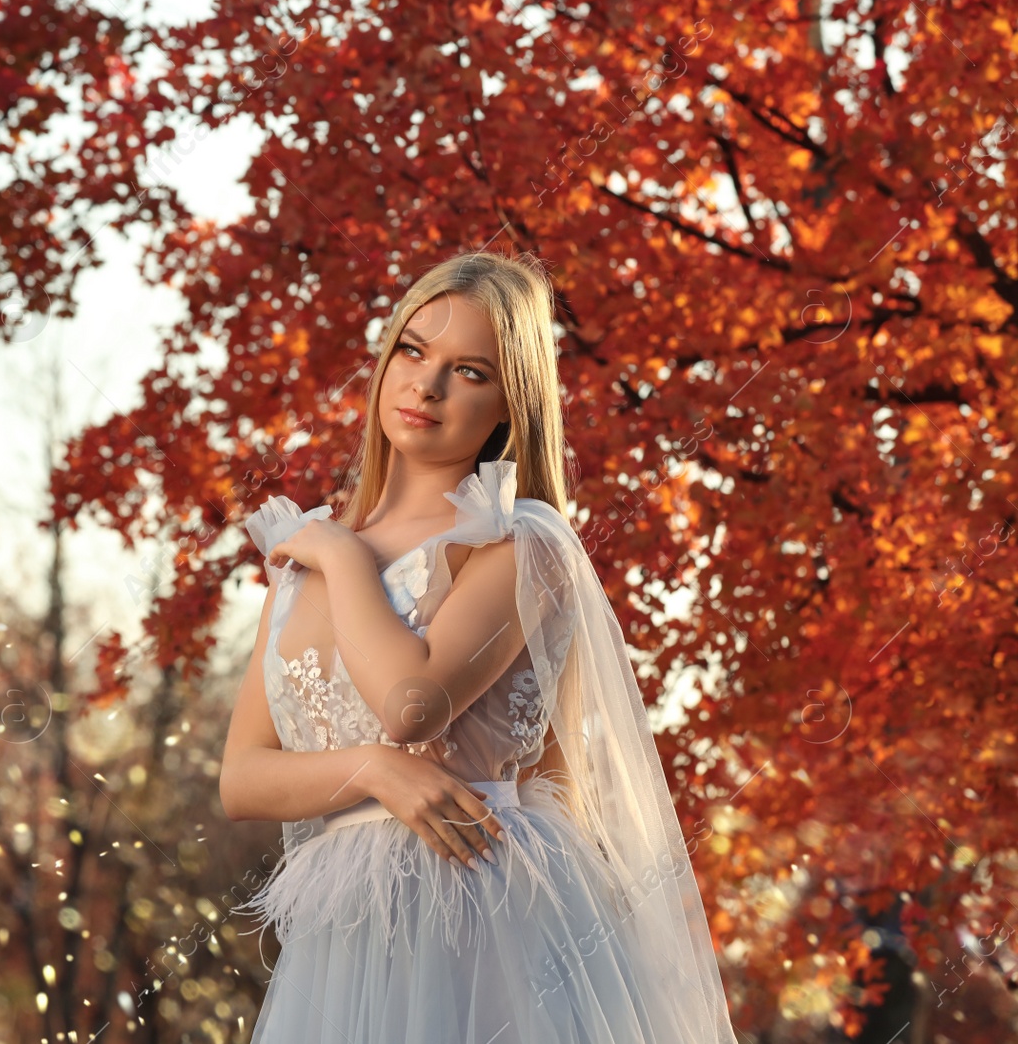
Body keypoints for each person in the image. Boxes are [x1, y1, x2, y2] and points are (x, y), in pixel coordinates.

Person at [218, 249, 740, 1042]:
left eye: (469, 371)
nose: (425, 385)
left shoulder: (520, 543)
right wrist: (372, 770)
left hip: (479, 907)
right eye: (413, 351)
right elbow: (243, 778)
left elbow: (412, 703)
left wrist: (344, 556)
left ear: (509, 403)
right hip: (346, 937)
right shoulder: (309, 554)